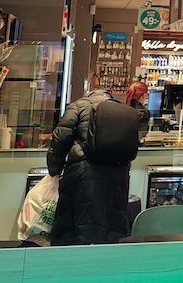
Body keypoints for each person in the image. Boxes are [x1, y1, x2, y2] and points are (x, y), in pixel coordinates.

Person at [47, 88, 133, 245]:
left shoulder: (78, 105)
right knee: (111, 225)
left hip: (82, 172)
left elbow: (60, 140)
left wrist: (54, 170)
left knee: (75, 224)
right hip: (118, 177)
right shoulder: (123, 111)